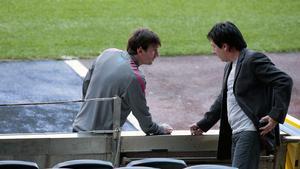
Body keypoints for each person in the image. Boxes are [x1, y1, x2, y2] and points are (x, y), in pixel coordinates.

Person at [190, 21, 293, 169]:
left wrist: (275, 115)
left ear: (225, 46)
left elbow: (284, 81)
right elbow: (224, 98)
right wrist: (204, 123)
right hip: (237, 132)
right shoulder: (230, 66)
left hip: (249, 132)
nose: (213, 51)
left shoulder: (253, 60)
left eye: (214, 46)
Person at [73, 28, 173, 135]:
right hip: (100, 140)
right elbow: (144, 121)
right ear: (140, 50)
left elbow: (86, 84)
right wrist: (159, 129)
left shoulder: (107, 53)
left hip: (78, 128)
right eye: (153, 50)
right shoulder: (135, 77)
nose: (157, 54)